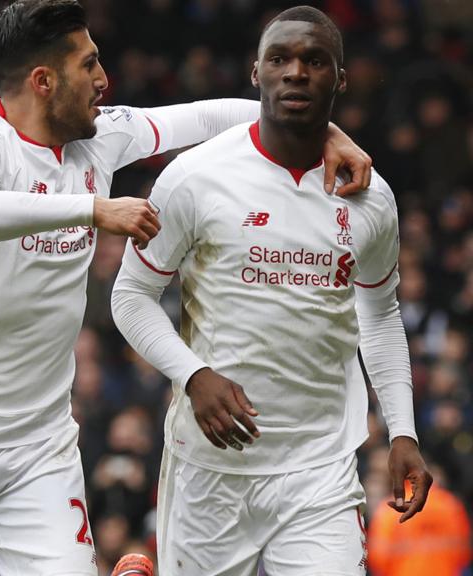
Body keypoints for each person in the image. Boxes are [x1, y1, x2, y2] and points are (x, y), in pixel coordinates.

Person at [0, 1, 374, 574]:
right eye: (88, 65)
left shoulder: (102, 137)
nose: (103, 80)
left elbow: (213, 117)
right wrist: (92, 210)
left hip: (38, 447)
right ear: (43, 81)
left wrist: (325, 128)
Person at [110, 7, 432, 575]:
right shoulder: (194, 177)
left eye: (314, 60)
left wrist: (402, 429)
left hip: (320, 471)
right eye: (279, 59)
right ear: (255, 73)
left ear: (341, 77)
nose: (296, 72)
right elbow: (130, 297)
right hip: (209, 470)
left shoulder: (370, 197)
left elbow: (379, 318)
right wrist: (194, 376)